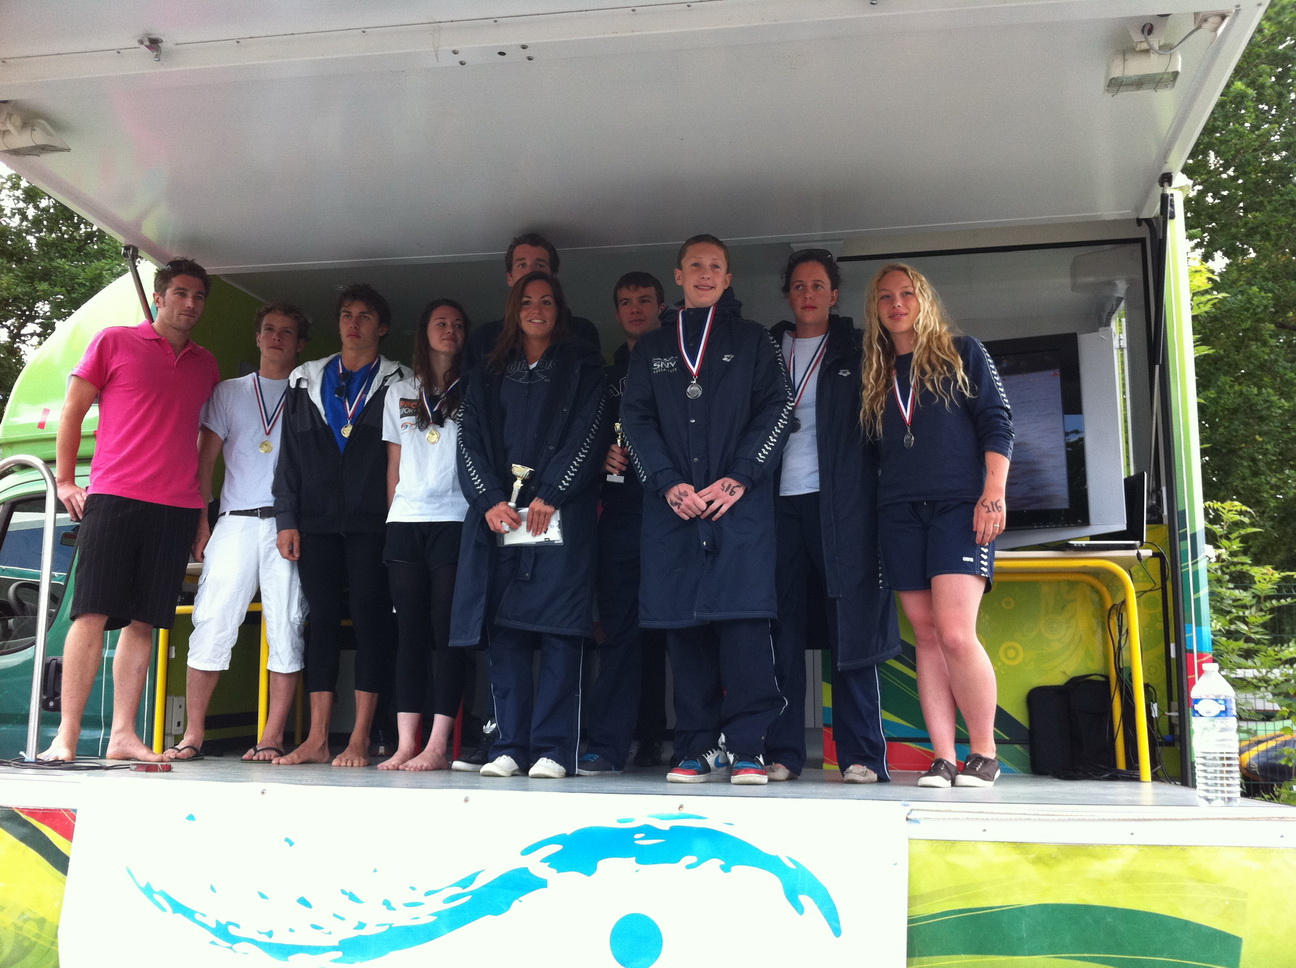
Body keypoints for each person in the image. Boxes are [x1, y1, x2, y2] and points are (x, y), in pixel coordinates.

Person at [620, 234, 793, 785]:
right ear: (678, 276)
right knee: (684, 630)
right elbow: (635, 419)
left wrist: (741, 475)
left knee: (744, 632)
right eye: (695, 265)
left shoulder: (753, 340)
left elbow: (778, 408)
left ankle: (747, 748)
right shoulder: (652, 347)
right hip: (675, 512)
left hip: (736, 509)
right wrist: (667, 483)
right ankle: (694, 746)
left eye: (715, 266)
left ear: (728, 278)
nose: (705, 273)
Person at [39, 258, 220, 763]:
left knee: (145, 622)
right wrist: (66, 480)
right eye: (180, 293)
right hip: (115, 497)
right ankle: (66, 736)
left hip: (176, 507)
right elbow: (73, 410)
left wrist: (201, 513)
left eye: (198, 297)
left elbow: (203, 441)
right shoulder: (113, 341)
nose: (190, 304)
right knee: (91, 613)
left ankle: (122, 734)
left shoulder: (207, 365)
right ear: (158, 298)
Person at [860, 262, 1013, 788]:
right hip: (898, 511)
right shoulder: (876, 370)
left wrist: (994, 493)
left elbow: (998, 421)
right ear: (875, 309)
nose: (896, 304)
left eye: (907, 294)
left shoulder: (961, 351)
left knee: (954, 633)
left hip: (958, 507)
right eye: (885, 297)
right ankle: (944, 757)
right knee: (925, 636)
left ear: (924, 300)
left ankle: (985, 753)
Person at [450, 271, 606, 779]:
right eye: (527, 302)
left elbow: (589, 434)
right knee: (506, 632)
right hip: (501, 519)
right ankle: (509, 746)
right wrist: (489, 500)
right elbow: (469, 440)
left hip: (560, 517)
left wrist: (553, 493)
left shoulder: (583, 366)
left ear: (560, 310)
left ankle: (554, 750)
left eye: (546, 301)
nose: (536, 310)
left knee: (560, 631)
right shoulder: (488, 370)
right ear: (513, 310)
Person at [765, 251, 900, 783]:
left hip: (842, 504)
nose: (808, 294)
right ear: (788, 294)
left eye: (818, 285)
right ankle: (782, 753)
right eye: (799, 286)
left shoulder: (861, 349)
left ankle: (861, 754)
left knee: (852, 625)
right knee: (782, 627)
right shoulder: (767, 350)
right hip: (778, 505)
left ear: (835, 294)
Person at [272, 284, 407, 767]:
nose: (354, 323)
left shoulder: (400, 381)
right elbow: (288, 457)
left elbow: (409, 456)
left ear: (382, 327)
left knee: (372, 621)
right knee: (321, 622)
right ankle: (316, 738)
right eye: (347, 314)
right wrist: (286, 518)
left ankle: (360, 738)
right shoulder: (305, 379)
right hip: (316, 522)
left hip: (375, 523)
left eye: (365, 316)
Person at [169, 303, 311, 762]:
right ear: (257, 337)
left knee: (287, 623)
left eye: (286, 332)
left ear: (300, 344)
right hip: (234, 520)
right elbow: (205, 460)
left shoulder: (308, 392)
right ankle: (193, 734)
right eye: (269, 329)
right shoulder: (228, 392)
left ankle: (272, 736)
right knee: (212, 619)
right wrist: (202, 520)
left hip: (289, 524)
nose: (276, 338)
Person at [577, 272, 670, 776]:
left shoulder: (678, 365)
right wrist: (599, 459)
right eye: (627, 302)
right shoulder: (605, 376)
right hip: (619, 514)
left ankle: (666, 737)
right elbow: (579, 437)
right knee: (618, 631)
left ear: (661, 307)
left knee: (677, 631)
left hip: (674, 512)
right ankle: (609, 744)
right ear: (617, 312)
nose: (636, 309)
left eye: (645, 301)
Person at [378, 299, 472, 771]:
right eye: (440, 323)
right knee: (409, 634)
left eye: (457, 324)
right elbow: (393, 465)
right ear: (424, 331)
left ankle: (437, 745)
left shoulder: (473, 388)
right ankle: (404, 743)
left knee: (446, 632)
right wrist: (393, 515)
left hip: (455, 519)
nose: (449, 330)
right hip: (406, 522)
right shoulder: (399, 392)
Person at [463, 233, 602, 366]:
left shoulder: (581, 331)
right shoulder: (484, 338)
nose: (530, 272)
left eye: (539, 265)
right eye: (522, 265)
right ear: (509, 278)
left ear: (553, 277)